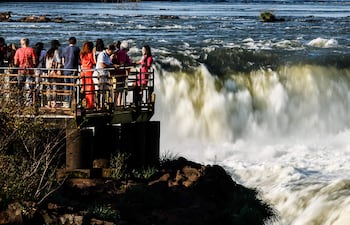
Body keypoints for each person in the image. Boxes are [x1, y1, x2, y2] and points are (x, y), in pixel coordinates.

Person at [94, 44, 118, 109]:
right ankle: (97, 105)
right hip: (99, 75)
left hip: (104, 75)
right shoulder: (102, 54)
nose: (112, 53)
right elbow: (102, 65)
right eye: (112, 51)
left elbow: (109, 63)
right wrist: (113, 66)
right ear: (109, 50)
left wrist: (114, 65)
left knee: (105, 91)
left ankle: (103, 105)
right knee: (99, 90)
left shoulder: (107, 56)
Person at [13, 38, 37, 104]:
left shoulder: (18, 51)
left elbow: (15, 62)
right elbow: (34, 61)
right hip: (30, 70)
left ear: (22, 43)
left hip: (21, 70)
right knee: (30, 87)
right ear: (28, 43)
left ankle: (20, 102)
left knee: (20, 87)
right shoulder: (31, 50)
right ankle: (29, 103)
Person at [111, 40, 133, 107]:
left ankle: (115, 104)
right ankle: (118, 104)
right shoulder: (122, 53)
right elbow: (122, 63)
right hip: (121, 73)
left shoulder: (118, 52)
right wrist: (129, 64)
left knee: (117, 90)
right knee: (119, 90)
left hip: (117, 73)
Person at [62, 37, 80, 107]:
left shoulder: (65, 49)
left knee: (67, 86)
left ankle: (67, 101)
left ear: (68, 42)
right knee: (72, 86)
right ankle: (71, 101)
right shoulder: (77, 49)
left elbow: (63, 61)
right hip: (73, 69)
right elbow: (78, 59)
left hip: (66, 69)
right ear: (75, 42)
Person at [45, 40, 62, 108]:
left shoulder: (48, 52)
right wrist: (59, 70)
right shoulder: (56, 52)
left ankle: (49, 102)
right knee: (54, 87)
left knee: (48, 87)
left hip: (48, 71)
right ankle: (54, 102)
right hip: (53, 72)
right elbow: (58, 61)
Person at [80, 41, 95, 109]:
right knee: (90, 89)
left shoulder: (82, 54)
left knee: (84, 88)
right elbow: (93, 62)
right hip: (89, 72)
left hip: (83, 72)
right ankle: (90, 105)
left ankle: (85, 104)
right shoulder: (90, 54)